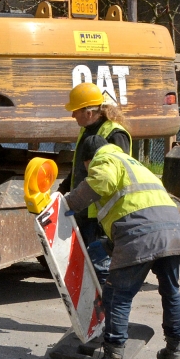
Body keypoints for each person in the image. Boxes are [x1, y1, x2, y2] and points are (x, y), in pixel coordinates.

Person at [64, 135, 180, 359]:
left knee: (117, 295)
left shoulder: (105, 160)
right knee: (171, 290)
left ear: (88, 160)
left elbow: (102, 181)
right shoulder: (132, 162)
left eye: (85, 167)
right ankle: (174, 351)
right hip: (173, 229)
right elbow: (134, 202)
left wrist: (67, 203)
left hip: (140, 232)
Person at [65, 82, 132, 284]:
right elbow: (79, 168)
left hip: (102, 214)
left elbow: (114, 175)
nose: (72, 115)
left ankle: (104, 308)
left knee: (101, 269)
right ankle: (93, 309)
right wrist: (63, 191)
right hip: (86, 211)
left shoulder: (114, 134)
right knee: (88, 266)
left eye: (75, 110)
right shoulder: (87, 130)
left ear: (89, 111)